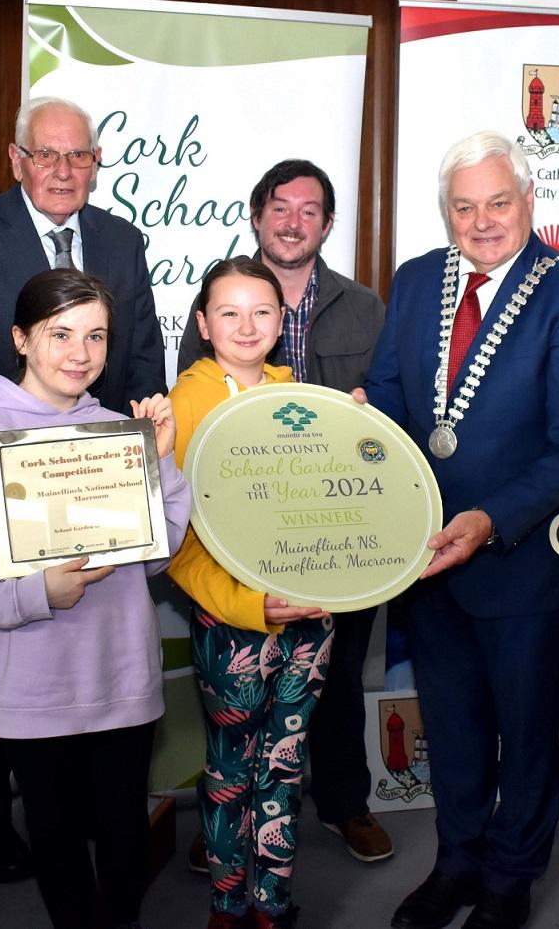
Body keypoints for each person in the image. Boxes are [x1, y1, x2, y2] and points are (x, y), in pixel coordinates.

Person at [360, 130, 559, 929]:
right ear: (447, 212)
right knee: (453, 728)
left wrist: (487, 520)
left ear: (529, 201)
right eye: (464, 206)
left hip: (520, 560)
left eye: (497, 203)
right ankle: (457, 863)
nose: (481, 221)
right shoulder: (414, 282)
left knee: (525, 732)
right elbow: (390, 399)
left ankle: (510, 879)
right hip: (425, 560)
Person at [0, 94, 165, 881]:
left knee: (97, 649)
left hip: (98, 472)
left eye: (80, 157)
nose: (64, 171)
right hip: (5, 481)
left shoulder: (121, 240)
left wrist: (134, 457)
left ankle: (91, 822)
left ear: (96, 165)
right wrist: (16, 468)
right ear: (15, 159)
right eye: (47, 155)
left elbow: (139, 365)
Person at [0, 269, 189, 929]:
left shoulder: (113, 432)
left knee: (123, 826)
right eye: (59, 333)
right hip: (31, 685)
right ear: (20, 339)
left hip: (119, 673)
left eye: (95, 336)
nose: (79, 353)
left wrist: (161, 463)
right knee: (55, 831)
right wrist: (34, 592)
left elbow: (158, 552)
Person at [177, 159, 392, 863]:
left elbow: (381, 424)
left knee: (332, 687)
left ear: (327, 224)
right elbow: (196, 431)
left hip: (335, 540)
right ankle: (230, 841)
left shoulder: (365, 307)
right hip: (238, 551)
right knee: (240, 720)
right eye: (279, 205)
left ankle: (342, 805)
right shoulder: (215, 305)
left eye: (309, 209)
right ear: (257, 215)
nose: (292, 219)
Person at [168, 256, 334, 929]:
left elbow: (335, 509)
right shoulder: (183, 405)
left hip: (309, 621)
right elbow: (175, 545)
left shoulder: (301, 398)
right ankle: (226, 903)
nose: (246, 325)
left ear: (281, 319)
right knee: (232, 771)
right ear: (204, 324)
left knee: (285, 766)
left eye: (261, 310)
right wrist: (246, 605)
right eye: (228, 312)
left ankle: (271, 901)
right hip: (231, 625)